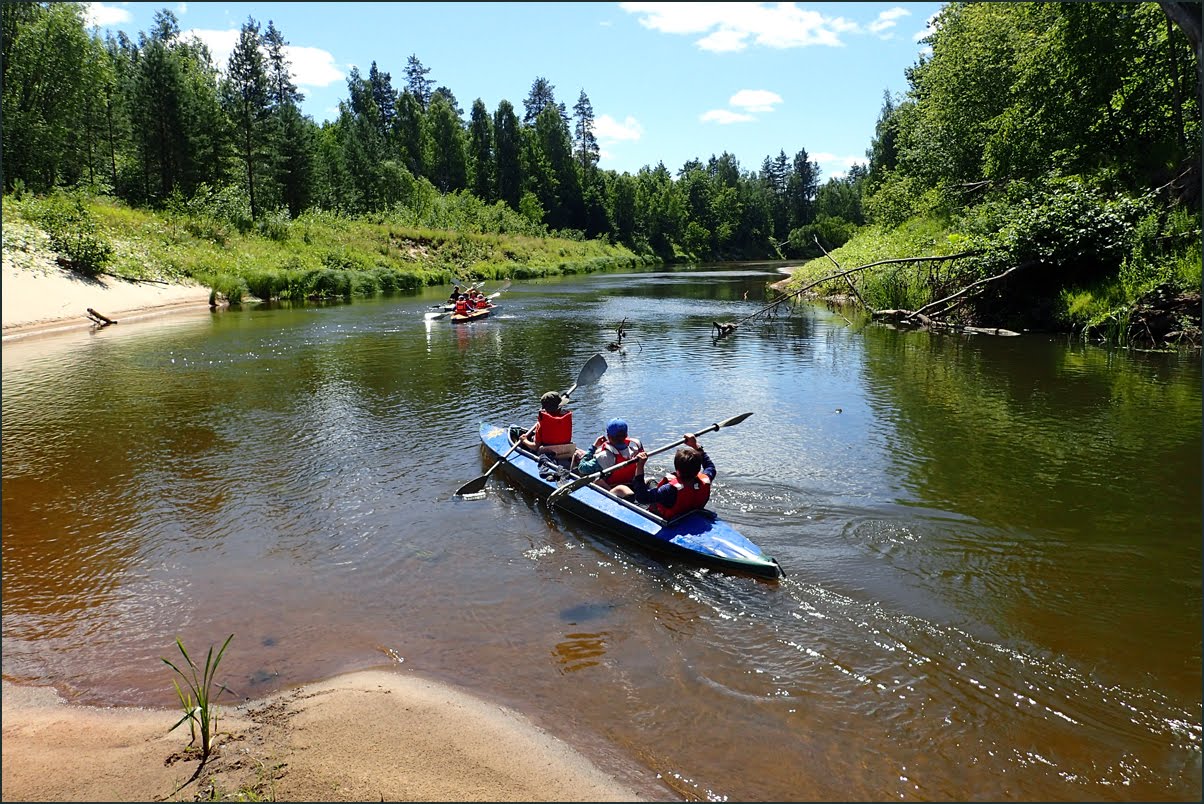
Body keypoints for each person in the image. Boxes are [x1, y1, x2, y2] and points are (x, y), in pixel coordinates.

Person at [631, 433, 715, 519]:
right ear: (698, 469)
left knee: (623, 492)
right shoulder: (706, 479)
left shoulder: (669, 490)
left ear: (677, 471)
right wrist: (695, 445)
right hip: (690, 510)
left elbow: (642, 498)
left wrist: (640, 466)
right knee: (650, 482)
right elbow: (710, 466)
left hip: (668, 518)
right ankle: (648, 481)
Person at [573, 419, 644, 498]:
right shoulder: (634, 451)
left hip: (613, 488)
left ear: (608, 436)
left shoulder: (604, 456)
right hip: (630, 483)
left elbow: (582, 468)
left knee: (597, 480)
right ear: (626, 435)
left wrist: (593, 447)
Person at [519, 391, 577, 461]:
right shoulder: (566, 419)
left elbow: (535, 447)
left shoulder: (541, 424)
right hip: (566, 452)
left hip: (547, 455)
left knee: (529, 441)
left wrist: (524, 440)